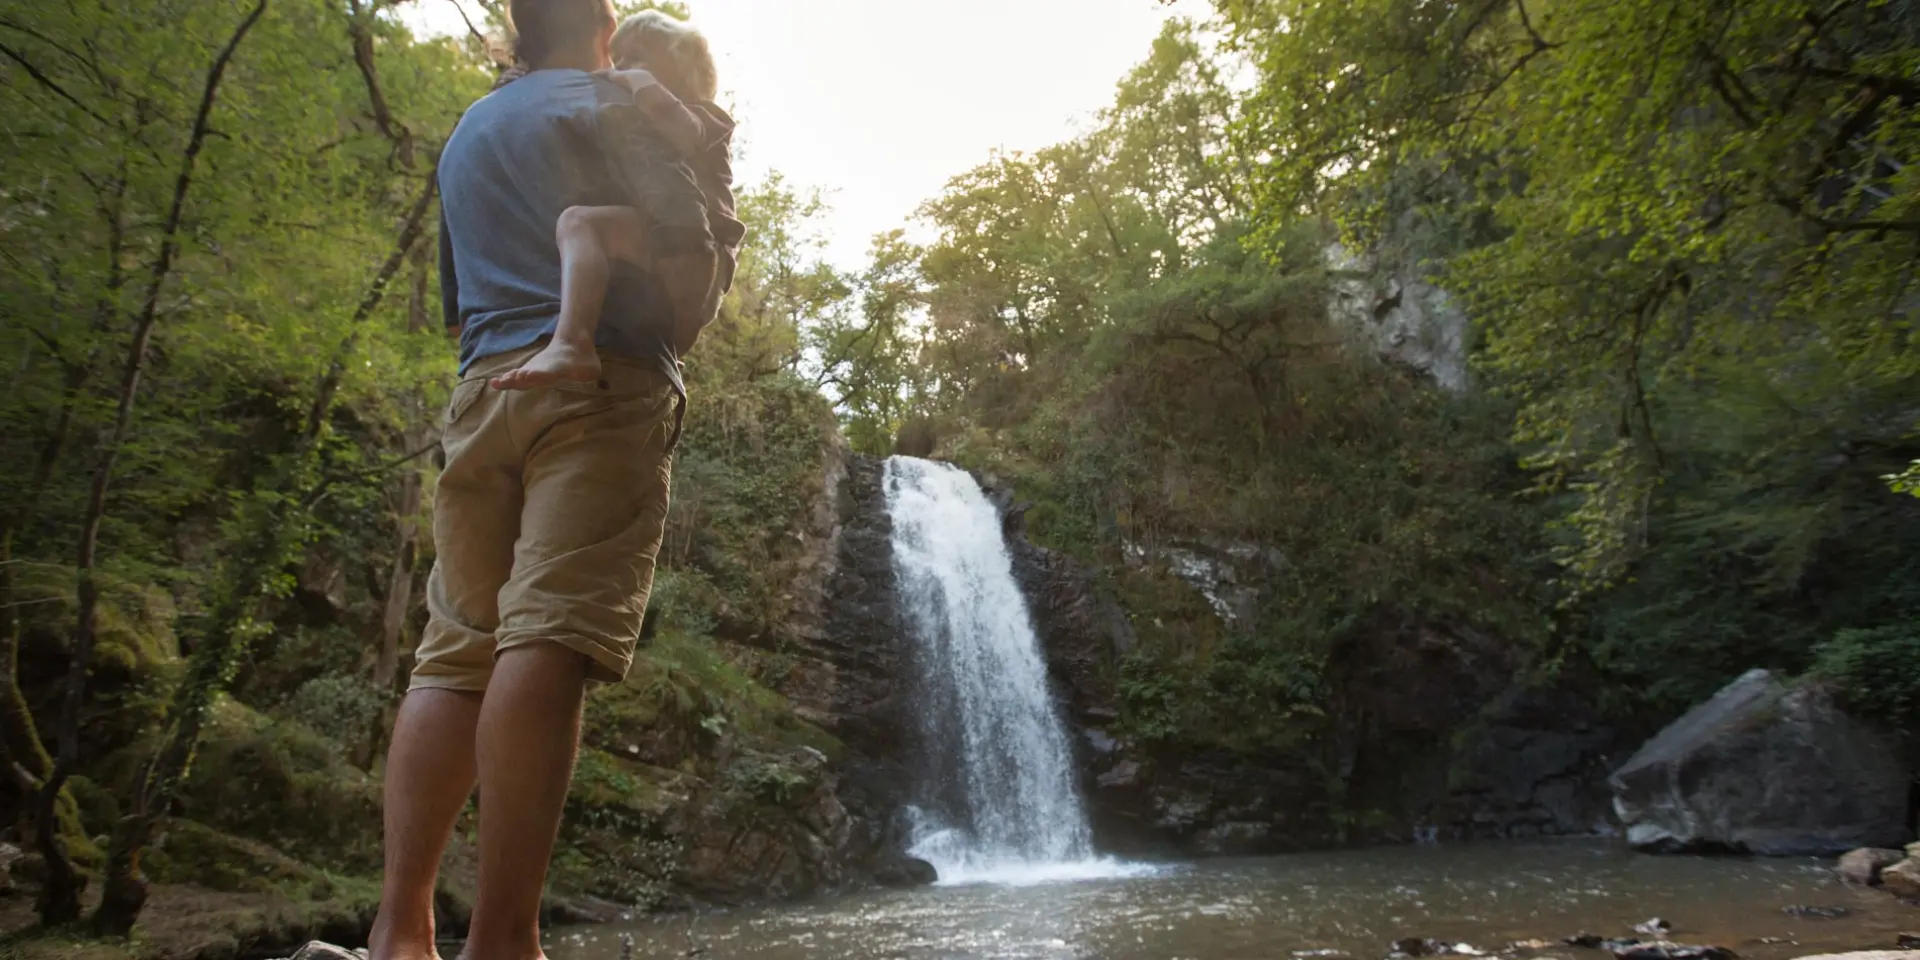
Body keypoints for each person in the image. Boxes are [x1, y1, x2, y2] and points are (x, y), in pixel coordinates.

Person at [366, 2, 719, 959]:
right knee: (551, 634)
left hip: (484, 390)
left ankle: (400, 929)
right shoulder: (619, 103)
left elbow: (458, 305)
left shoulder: (471, 130)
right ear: (602, 22)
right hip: (599, 383)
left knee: (455, 651)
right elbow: (690, 272)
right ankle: (504, 939)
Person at [491, 10, 746, 391]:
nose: (621, 68)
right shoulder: (637, 127)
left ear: (684, 71)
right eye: (618, 58)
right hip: (667, 243)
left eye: (638, 57)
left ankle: (571, 341)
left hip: (704, 251)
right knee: (587, 228)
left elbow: (684, 132)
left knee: (580, 224)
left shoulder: (705, 116)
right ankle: (653, 361)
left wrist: (640, 84)